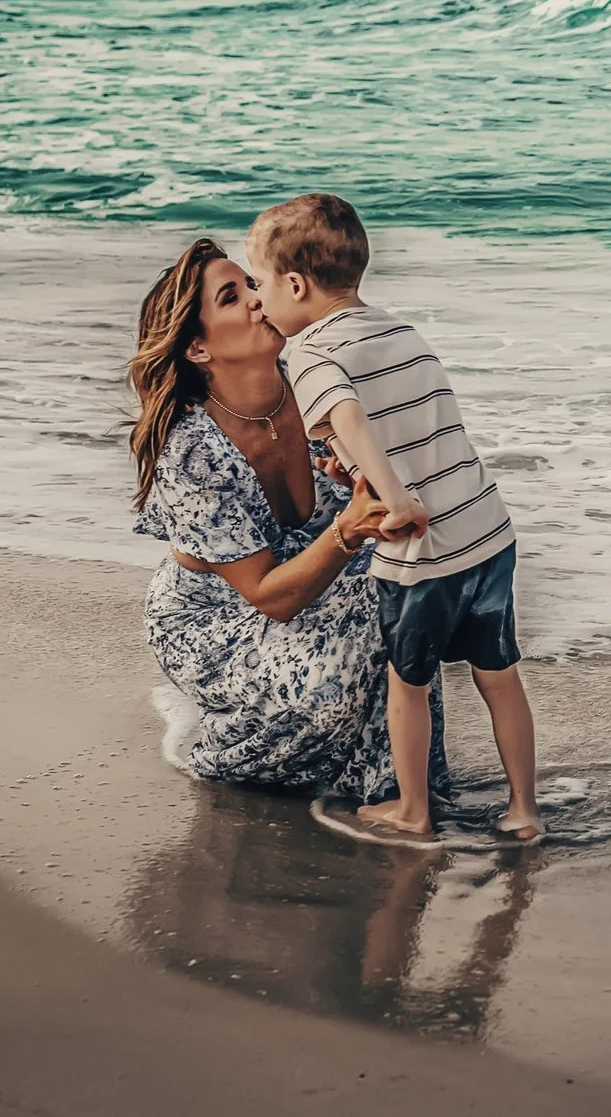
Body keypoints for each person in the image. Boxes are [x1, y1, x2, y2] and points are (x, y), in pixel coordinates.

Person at [244, 193, 541, 846]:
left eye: (261, 283)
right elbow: (417, 423)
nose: (258, 300)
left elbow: (347, 413)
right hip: (485, 527)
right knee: (499, 673)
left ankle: (413, 811)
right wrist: (357, 472)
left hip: (421, 553)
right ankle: (524, 809)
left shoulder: (310, 353)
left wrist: (394, 494)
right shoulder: (402, 331)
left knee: (407, 682)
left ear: (296, 283)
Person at [130, 236, 447, 802]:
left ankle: (405, 788)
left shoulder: (319, 384)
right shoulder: (190, 450)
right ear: (199, 349)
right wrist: (350, 527)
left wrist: (367, 490)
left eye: (253, 283)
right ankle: (225, 750)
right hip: (213, 622)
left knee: (404, 587)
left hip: (315, 588)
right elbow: (270, 597)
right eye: (232, 296)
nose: (257, 298)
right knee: (326, 688)